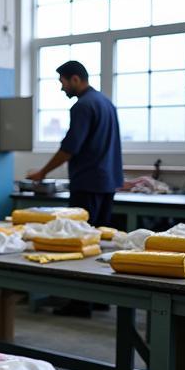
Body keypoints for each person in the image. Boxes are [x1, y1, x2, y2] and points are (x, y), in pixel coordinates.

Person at [27, 59, 123, 317]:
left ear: (75, 79)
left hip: (88, 183)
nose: (62, 88)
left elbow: (71, 147)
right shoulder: (106, 103)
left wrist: (41, 173)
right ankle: (100, 298)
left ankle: (81, 303)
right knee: (100, 243)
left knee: (80, 241)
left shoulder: (82, 106)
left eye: (62, 82)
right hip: (107, 183)